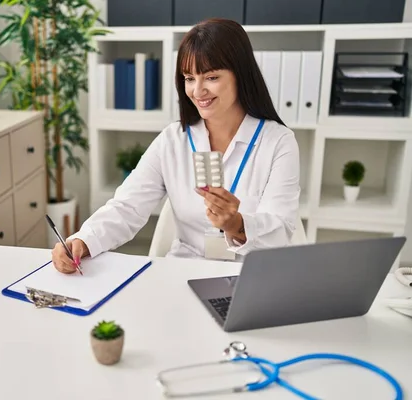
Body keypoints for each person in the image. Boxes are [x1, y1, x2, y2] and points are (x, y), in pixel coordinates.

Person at [52, 18, 300, 273]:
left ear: (242, 75)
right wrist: (83, 240)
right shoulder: (173, 139)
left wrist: (237, 224)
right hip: (183, 271)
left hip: (249, 274)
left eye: (212, 77)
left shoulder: (278, 142)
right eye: (189, 78)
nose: (198, 90)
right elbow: (127, 207)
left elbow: (281, 229)